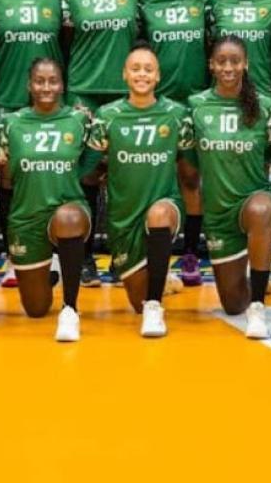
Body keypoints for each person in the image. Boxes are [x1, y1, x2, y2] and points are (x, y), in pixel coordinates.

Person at [86, 45, 194, 338]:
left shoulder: (177, 114)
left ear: (158, 76)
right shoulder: (107, 116)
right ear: (124, 74)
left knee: (159, 215)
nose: (142, 74)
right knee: (137, 300)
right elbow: (88, 168)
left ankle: (155, 308)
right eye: (135, 68)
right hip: (124, 216)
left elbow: (189, 169)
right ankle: (158, 282)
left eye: (148, 69)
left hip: (164, 204)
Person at [0, 59, 94, 341]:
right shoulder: (10, 124)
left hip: (68, 208)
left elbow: (95, 163)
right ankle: (50, 269)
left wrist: (73, 177)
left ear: (62, 85)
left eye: (53, 81)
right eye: (39, 81)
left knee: (67, 219)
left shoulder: (80, 120)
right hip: (26, 216)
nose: (46, 87)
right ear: (29, 85)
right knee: (35, 309)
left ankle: (70, 309)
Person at [64, 0, 144, 287]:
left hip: (122, 92)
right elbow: (65, 36)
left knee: (122, 176)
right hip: (83, 90)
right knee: (85, 176)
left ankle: (122, 255)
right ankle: (82, 260)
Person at [188, 36, 271, 339]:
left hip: (251, 203)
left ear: (246, 64)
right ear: (211, 65)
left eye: (235, 61)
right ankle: (253, 276)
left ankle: (257, 306)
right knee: (231, 305)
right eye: (221, 61)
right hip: (218, 214)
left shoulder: (266, 107)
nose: (228, 67)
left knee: (261, 208)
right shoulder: (195, 107)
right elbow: (188, 167)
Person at [0, 0, 66, 288]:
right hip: (8, 101)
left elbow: (71, 41)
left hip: (49, 102)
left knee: (50, 174)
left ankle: (54, 256)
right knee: (9, 179)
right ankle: (12, 254)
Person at [140, 0, 209, 286]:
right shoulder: (147, 4)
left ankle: (191, 253)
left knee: (190, 179)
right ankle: (154, 259)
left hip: (194, 104)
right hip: (158, 105)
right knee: (155, 182)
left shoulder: (203, 5)